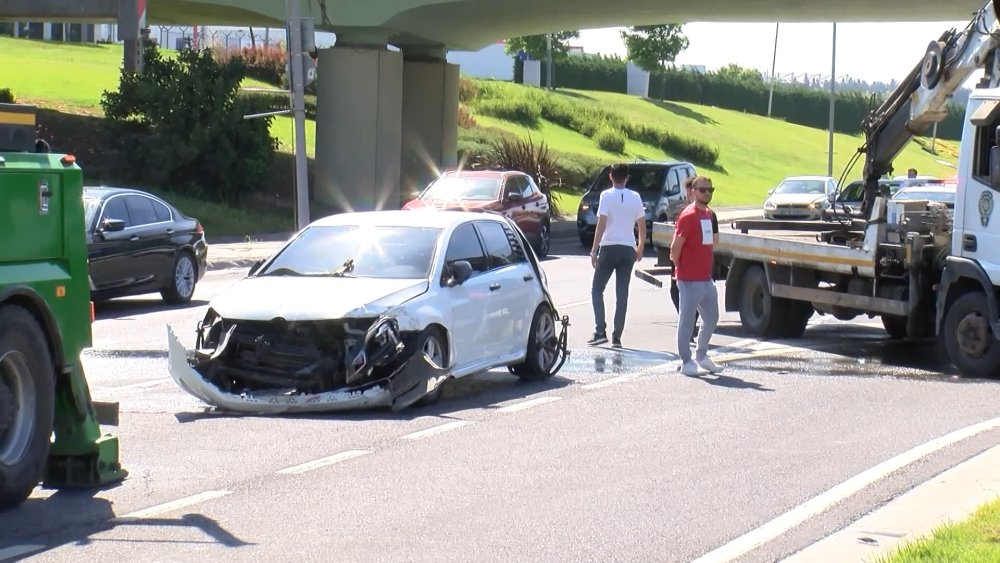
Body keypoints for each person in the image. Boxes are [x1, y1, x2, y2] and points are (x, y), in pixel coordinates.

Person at [589, 163, 646, 348]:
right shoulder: (635, 197)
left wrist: (594, 249)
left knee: (597, 289)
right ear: (627, 178)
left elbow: (602, 223)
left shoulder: (606, 195)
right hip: (628, 247)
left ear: (611, 177)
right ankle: (617, 337)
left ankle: (600, 330)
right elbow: (642, 225)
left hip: (609, 246)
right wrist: (640, 246)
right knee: (622, 295)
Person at [670, 175, 722, 376]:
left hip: (705, 277)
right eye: (702, 190)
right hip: (689, 278)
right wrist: (679, 268)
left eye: (710, 190)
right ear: (693, 191)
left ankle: (701, 355)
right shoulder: (688, 215)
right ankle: (686, 361)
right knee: (687, 321)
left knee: (712, 318)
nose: (707, 193)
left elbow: (711, 243)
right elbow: (676, 247)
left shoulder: (708, 214)